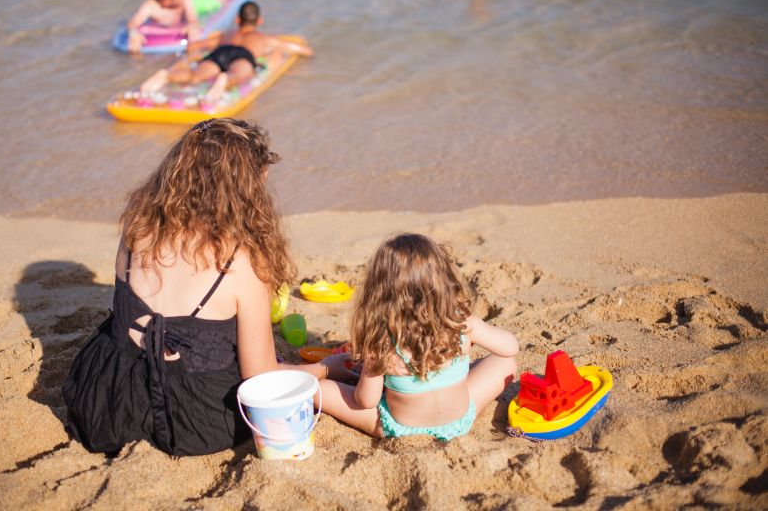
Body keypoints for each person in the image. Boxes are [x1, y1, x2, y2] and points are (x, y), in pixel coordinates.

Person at [62, 119, 349, 456]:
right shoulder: (242, 261)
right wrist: (328, 367)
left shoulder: (137, 225)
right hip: (193, 419)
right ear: (248, 188)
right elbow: (261, 374)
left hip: (105, 399)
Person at [318, 233, 519, 441]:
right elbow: (510, 348)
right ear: (443, 281)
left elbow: (366, 401)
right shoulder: (463, 324)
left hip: (402, 431)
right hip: (458, 423)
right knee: (505, 363)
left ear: (379, 293)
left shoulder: (382, 343)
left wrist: (366, 374)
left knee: (320, 389)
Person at [139, 1, 313, 108]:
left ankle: (167, 76)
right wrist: (303, 50)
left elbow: (196, 46)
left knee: (195, 76)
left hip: (220, 52)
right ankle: (225, 79)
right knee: (237, 74)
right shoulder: (263, 38)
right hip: (243, 55)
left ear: (237, 20)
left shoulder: (226, 34)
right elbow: (301, 50)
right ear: (259, 21)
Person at [126, 0, 256, 55]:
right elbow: (133, 22)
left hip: (199, 3)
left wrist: (191, 25)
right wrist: (133, 33)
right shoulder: (151, 6)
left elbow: (192, 18)